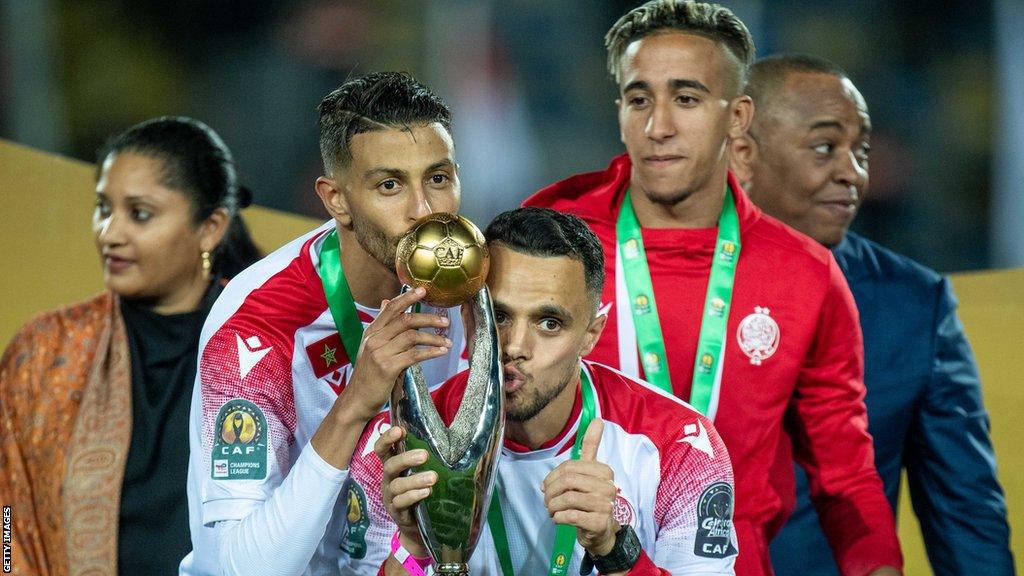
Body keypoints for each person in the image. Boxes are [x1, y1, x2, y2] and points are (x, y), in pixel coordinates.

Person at [524, 2, 902, 575]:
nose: (658, 128)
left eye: (687, 98)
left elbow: (845, 478)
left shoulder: (804, 274)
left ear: (738, 117)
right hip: (558, 557)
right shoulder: (550, 235)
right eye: (639, 99)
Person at [729, 54, 1015, 576]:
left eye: (860, 150)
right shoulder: (639, 285)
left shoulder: (913, 305)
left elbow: (966, 517)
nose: (854, 173)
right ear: (743, 152)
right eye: (825, 147)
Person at [341, 207, 737, 575]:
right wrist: (414, 545)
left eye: (549, 323)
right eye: (498, 316)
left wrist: (613, 546)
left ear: (590, 336)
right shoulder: (397, 442)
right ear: (467, 316)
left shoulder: (679, 445)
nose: (514, 346)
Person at [181, 71, 468, 575]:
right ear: (336, 199)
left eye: (438, 179)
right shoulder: (258, 325)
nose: (423, 211)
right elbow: (240, 569)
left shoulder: (476, 295)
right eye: (389, 185)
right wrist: (357, 402)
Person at [0, 116, 261, 575]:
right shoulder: (45, 351)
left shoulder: (268, 347)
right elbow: (4, 517)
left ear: (211, 228)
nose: (110, 233)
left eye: (139, 214)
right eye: (104, 208)